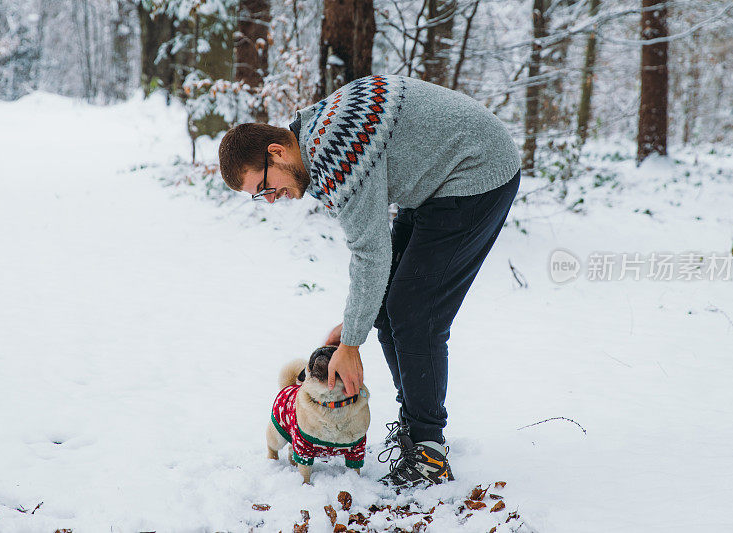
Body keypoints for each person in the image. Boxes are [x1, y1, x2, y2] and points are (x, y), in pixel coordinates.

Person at [218, 74, 521, 487]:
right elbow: (373, 253)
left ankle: (428, 451)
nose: (270, 199)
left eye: (264, 186)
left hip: (477, 171)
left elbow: (370, 253)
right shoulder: (313, 130)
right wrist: (355, 324)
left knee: (415, 313)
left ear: (276, 151)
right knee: (388, 309)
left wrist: (351, 343)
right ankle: (416, 429)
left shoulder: (332, 154)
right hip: (437, 180)